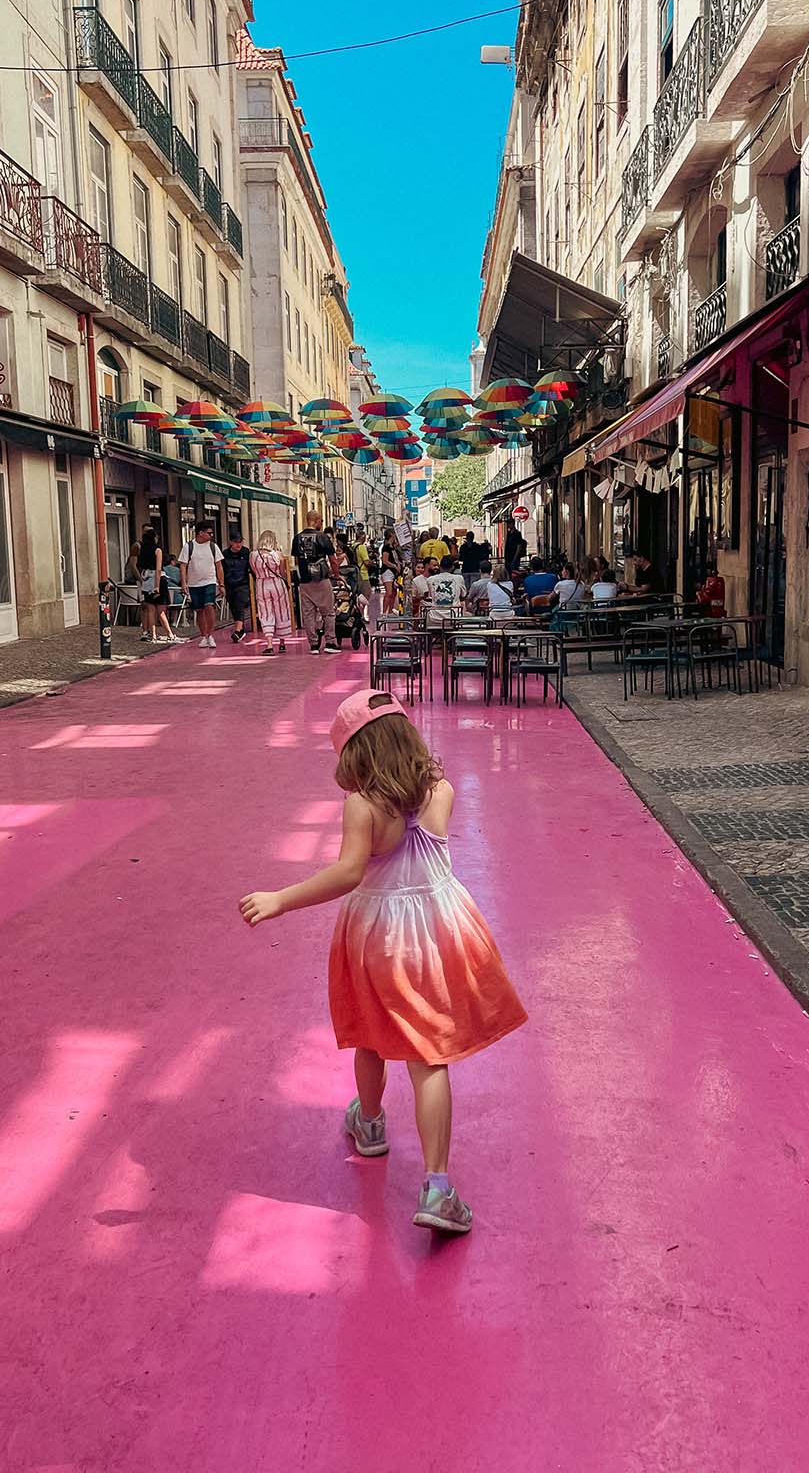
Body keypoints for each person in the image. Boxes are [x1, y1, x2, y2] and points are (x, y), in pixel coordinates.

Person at [239, 688, 527, 1234]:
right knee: (429, 1057)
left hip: (379, 935)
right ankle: (437, 1186)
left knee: (371, 1032)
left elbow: (350, 873)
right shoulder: (437, 788)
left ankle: (370, 1124)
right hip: (439, 928)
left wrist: (280, 898)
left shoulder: (362, 805)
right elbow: (429, 836)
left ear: (355, 754)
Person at [292, 510, 340, 654]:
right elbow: (333, 560)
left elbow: (295, 560)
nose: (322, 523)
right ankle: (330, 642)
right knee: (328, 612)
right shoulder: (323, 538)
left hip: (305, 581)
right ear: (317, 520)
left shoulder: (297, 538)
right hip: (321, 579)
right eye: (321, 521)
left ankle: (313, 645)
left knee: (308, 613)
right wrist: (336, 575)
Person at [178, 521, 224, 649]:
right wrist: (184, 583)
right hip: (194, 584)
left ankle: (211, 635)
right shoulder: (188, 547)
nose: (211, 535)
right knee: (199, 610)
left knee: (209, 606)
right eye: (209, 533)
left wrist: (221, 584)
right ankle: (203, 636)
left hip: (209, 581)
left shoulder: (213, 547)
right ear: (200, 533)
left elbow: (219, 566)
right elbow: (183, 565)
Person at [250, 530, 293, 655]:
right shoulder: (277, 554)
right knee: (281, 610)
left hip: (261, 584)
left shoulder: (253, 555)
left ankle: (269, 644)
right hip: (277, 583)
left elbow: (253, 570)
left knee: (265, 612)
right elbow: (283, 572)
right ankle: (282, 642)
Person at [138, 525, 181, 644]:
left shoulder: (143, 550)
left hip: (146, 579)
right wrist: (157, 586)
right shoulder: (158, 550)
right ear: (154, 538)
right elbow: (158, 570)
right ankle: (170, 634)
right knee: (161, 610)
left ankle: (153, 636)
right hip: (158, 580)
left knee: (150, 609)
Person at [221, 531, 252, 643]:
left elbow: (251, 567)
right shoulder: (224, 554)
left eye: (240, 542)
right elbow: (221, 570)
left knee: (240, 604)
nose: (238, 545)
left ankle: (237, 630)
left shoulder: (246, 552)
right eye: (235, 542)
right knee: (233, 607)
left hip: (243, 584)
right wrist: (221, 584)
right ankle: (241, 629)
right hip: (230, 584)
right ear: (230, 542)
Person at [426, 555, 466, 624]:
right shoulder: (459, 578)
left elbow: (430, 596)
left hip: (434, 617)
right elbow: (463, 595)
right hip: (454, 617)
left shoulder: (430, 579)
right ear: (452, 567)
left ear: (440, 567)